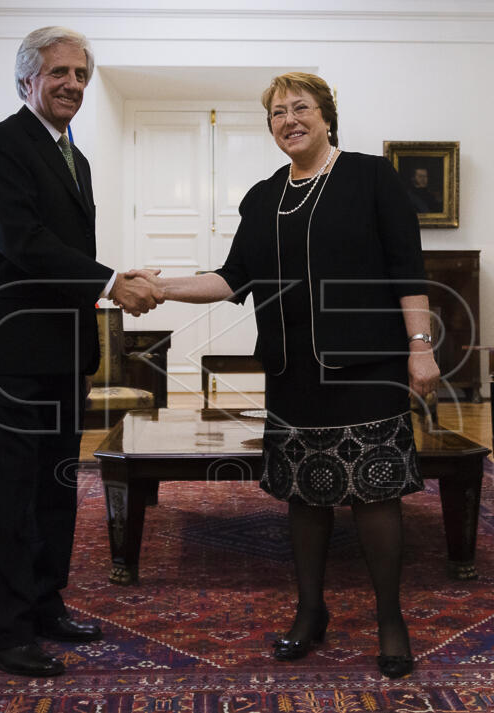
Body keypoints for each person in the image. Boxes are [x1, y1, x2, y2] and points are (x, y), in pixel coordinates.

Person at [122, 72, 439, 679]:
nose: (289, 120)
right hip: (292, 370)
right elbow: (232, 277)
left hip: (368, 364)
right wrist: (160, 288)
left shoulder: (372, 178)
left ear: (327, 117)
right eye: (277, 113)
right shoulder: (264, 196)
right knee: (304, 493)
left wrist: (419, 347)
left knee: (376, 494)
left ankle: (390, 619)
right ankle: (310, 610)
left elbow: (408, 269)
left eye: (301, 108)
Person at [0, 26, 162, 678]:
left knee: (54, 490)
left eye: (80, 72)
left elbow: (61, 253)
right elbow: (24, 241)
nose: (73, 83)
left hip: (60, 353)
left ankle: (44, 604)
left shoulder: (76, 158)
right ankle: (4, 632)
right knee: (5, 497)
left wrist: (106, 291)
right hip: (6, 353)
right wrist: (111, 282)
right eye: (59, 73)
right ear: (27, 82)